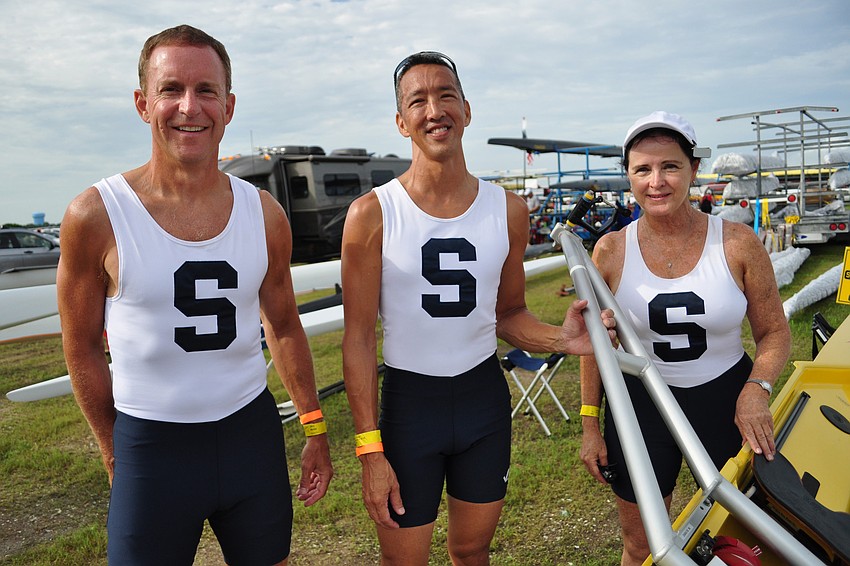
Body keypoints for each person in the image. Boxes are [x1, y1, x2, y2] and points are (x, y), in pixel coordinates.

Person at [57, 25, 332, 565]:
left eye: (206, 90)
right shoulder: (96, 214)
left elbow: (282, 324)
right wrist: (115, 450)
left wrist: (314, 426)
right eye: (171, 90)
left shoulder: (265, 215)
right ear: (142, 103)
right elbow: (82, 345)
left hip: (250, 435)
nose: (190, 107)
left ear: (228, 106)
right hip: (152, 444)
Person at [340, 51, 616, 566]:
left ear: (467, 109)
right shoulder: (372, 213)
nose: (434, 110)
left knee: (472, 551)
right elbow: (356, 339)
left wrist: (562, 339)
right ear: (401, 122)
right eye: (417, 101)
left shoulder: (508, 210)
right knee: (404, 561)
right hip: (409, 408)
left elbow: (509, 314)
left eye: (446, 95)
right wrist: (369, 450)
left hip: (482, 401)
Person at [578, 111, 790, 566]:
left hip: (725, 398)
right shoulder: (611, 250)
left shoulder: (736, 243)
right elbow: (592, 344)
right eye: (643, 169)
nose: (657, 181)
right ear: (628, 177)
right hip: (642, 404)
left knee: (753, 531)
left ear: (694, 170)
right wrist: (590, 423)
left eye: (670, 166)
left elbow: (773, 333)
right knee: (642, 544)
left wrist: (757, 388)